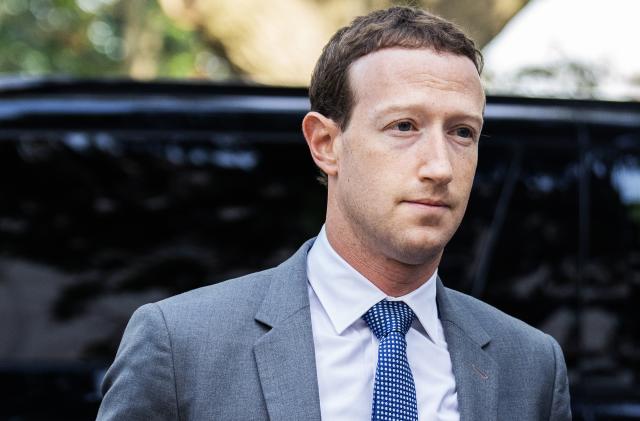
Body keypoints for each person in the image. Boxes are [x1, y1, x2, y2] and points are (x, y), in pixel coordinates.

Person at [97, 6, 571, 421]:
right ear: (326, 144)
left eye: (462, 132)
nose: (440, 167)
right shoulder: (182, 345)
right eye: (403, 126)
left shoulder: (530, 366)